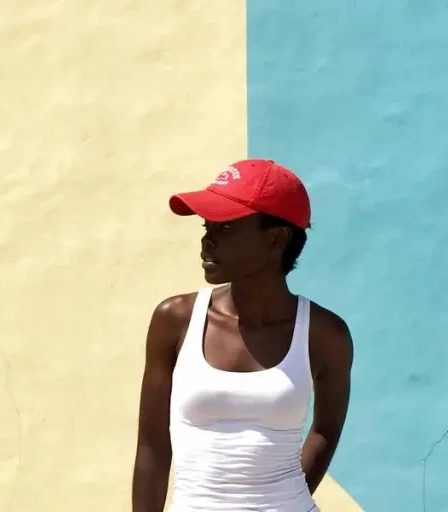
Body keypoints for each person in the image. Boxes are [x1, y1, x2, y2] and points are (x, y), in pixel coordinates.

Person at [131, 158, 355, 511]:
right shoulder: (175, 320)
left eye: (226, 228)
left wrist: (281, 500)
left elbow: (326, 428)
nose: (207, 240)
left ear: (276, 239)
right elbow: (153, 447)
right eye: (207, 226)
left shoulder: (324, 334)